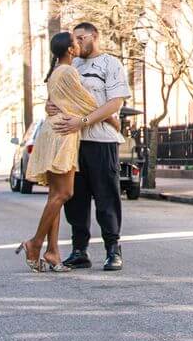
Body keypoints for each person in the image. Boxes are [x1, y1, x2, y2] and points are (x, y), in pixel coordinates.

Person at [15, 31, 120, 272]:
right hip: (63, 134)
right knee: (64, 193)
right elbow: (86, 101)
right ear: (70, 50)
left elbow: (59, 101)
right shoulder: (69, 71)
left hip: (56, 132)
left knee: (56, 195)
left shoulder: (56, 72)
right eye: (76, 41)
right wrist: (112, 119)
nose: (79, 43)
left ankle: (52, 252)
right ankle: (35, 243)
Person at [46, 21, 131, 272]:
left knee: (106, 197)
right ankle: (79, 250)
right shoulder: (68, 65)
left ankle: (113, 249)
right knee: (76, 199)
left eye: (81, 38)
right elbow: (55, 99)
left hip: (101, 140)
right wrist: (50, 107)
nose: (77, 43)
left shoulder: (110, 64)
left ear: (95, 36)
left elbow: (115, 102)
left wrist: (82, 120)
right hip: (72, 142)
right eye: (74, 39)